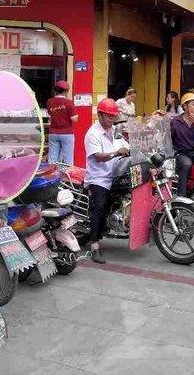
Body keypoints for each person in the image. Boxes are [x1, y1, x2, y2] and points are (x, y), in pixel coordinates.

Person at [84, 98, 130, 264]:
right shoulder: (93, 134)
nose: (111, 119)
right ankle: (94, 246)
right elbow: (98, 156)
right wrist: (116, 153)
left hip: (116, 173)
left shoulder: (115, 131)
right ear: (100, 115)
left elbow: (127, 146)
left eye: (113, 116)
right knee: (100, 207)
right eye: (109, 116)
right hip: (99, 177)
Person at [170, 93, 194, 198]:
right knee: (186, 164)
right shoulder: (176, 121)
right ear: (185, 106)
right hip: (181, 153)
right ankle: (181, 197)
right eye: (193, 104)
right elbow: (169, 138)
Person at [46, 80, 78, 165]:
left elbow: (50, 114)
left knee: (52, 159)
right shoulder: (69, 103)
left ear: (55, 90)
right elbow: (74, 119)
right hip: (67, 133)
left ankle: (52, 172)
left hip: (53, 133)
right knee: (68, 159)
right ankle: (67, 173)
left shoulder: (49, 102)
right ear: (66, 91)